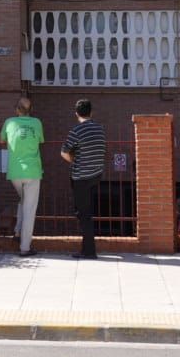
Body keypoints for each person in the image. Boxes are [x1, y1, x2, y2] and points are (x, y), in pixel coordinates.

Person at [60, 98, 105, 259]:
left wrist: (75, 160)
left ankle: (89, 251)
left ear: (76, 113)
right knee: (88, 212)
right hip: (96, 175)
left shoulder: (77, 131)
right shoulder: (100, 129)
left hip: (81, 177)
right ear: (91, 112)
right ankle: (88, 248)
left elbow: (64, 152)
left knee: (83, 214)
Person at [1, 96, 45, 257]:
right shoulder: (37, 123)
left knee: (23, 201)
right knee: (29, 209)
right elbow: (40, 140)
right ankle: (25, 248)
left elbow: (1, 139)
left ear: (17, 110)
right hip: (32, 171)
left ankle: (18, 231)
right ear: (30, 110)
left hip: (14, 172)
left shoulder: (9, 122)